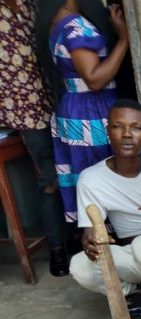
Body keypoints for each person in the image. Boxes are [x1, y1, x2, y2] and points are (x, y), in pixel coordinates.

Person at [69, 99, 141, 319]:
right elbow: (91, 230)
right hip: (132, 255)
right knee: (79, 266)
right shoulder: (91, 179)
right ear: (107, 131)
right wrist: (91, 242)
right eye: (118, 126)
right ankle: (134, 291)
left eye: (136, 128)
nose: (127, 134)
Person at [35, 0, 130, 223]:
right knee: (103, 175)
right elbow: (94, 79)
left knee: (86, 175)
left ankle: (94, 231)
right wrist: (124, 39)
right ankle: (106, 233)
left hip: (75, 108)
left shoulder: (56, 22)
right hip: (92, 110)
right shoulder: (77, 28)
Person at [0, 0, 68, 276]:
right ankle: (57, 250)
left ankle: (76, 238)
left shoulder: (31, 5)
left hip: (57, 101)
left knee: (69, 173)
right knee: (49, 179)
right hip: (23, 112)